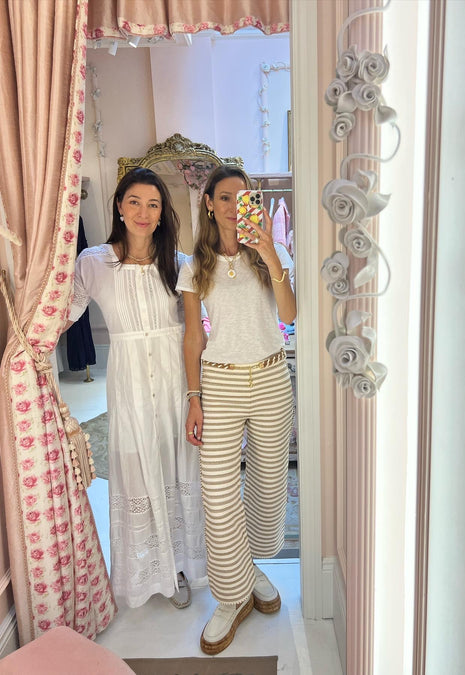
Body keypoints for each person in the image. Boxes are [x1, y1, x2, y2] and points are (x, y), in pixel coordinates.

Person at [66, 167, 206, 609]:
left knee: (177, 465)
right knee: (137, 466)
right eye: (134, 202)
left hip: (174, 378)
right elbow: (61, 314)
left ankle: (183, 564)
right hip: (127, 382)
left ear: (163, 214)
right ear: (119, 208)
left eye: (153, 204)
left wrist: (196, 393)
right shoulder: (94, 262)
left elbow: (198, 329)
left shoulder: (180, 266)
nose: (143, 213)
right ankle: (150, 572)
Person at [177, 165, 296, 655]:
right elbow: (194, 336)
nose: (232, 206)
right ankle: (231, 597)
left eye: (242, 198)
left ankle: (251, 569)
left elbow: (289, 315)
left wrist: (270, 253)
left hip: (270, 377)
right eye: (223, 197)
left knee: (269, 485)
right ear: (208, 204)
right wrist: (194, 396)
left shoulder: (272, 252)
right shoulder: (194, 265)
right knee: (220, 493)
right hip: (220, 383)